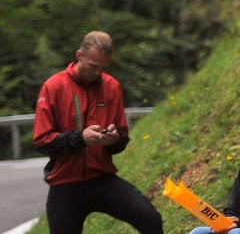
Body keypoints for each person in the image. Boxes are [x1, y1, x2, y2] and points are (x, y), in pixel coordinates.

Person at [32, 30, 164, 234]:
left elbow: (121, 138)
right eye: (94, 66)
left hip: (102, 179)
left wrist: (114, 140)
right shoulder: (54, 87)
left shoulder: (112, 86)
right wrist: (80, 138)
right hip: (65, 183)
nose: (97, 73)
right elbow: (42, 141)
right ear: (79, 55)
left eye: (103, 68)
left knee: (150, 218)